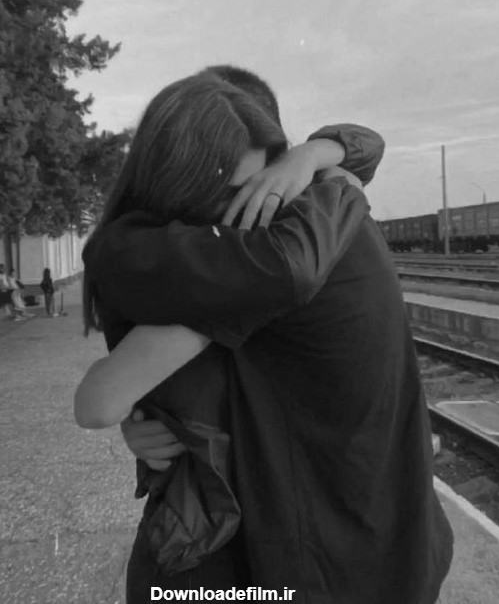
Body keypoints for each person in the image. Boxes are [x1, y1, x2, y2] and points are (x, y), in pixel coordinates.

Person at [77, 68, 453, 602]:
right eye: (236, 192)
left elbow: (98, 400)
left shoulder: (268, 252)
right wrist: (329, 164)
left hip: (327, 559)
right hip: (393, 541)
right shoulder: (313, 221)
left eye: (265, 182)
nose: (255, 205)